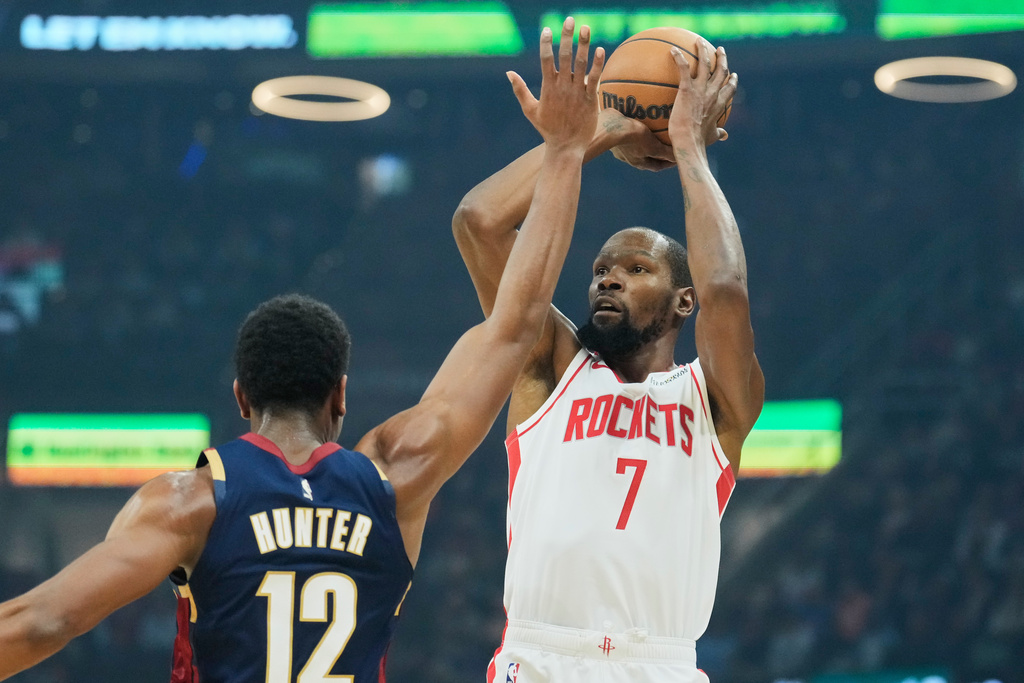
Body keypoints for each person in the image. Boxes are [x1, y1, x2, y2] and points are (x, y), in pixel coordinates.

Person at [0, 18, 605, 683]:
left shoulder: (186, 504)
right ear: (340, 394)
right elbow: (516, 325)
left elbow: (41, 622)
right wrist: (566, 151)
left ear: (241, 396)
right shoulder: (393, 477)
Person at [453, 39, 764, 683]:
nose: (607, 281)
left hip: (662, 663)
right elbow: (479, 223)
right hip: (539, 656)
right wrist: (582, 137)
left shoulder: (714, 404)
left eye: (635, 268)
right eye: (599, 270)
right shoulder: (550, 367)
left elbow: (726, 291)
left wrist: (688, 147)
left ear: (684, 300)